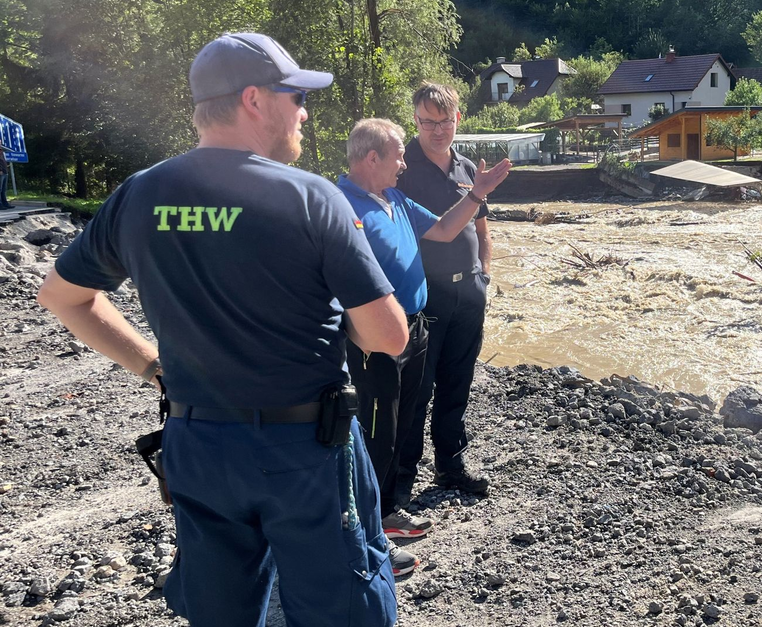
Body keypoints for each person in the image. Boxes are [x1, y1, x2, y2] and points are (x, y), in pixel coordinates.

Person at [37, 33, 409, 627]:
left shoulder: (141, 194)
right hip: (304, 449)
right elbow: (388, 337)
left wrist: (150, 365)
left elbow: (63, 297)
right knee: (344, 607)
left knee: (221, 613)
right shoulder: (312, 197)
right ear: (255, 100)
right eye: (296, 98)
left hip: (198, 444)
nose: (304, 113)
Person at [336, 118, 509, 562]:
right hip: (373, 338)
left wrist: (477, 195)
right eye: (398, 155)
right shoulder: (340, 205)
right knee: (377, 430)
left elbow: (447, 229)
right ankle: (366, 531)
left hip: (416, 326)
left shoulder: (394, 197)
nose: (404, 162)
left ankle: (388, 508)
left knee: (406, 417)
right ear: (372, 158)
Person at [395, 82, 495, 500]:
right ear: (415, 121)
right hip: (425, 296)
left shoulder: (469, 168)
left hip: (468, 293)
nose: (437, 130)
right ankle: (400, 481)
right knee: (415, 391)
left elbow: (482, 230)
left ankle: (451, 467)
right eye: (427, 121)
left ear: (458, 119)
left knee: (458, 384)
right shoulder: (401, 169)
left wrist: (483, 276)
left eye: (445, 120)